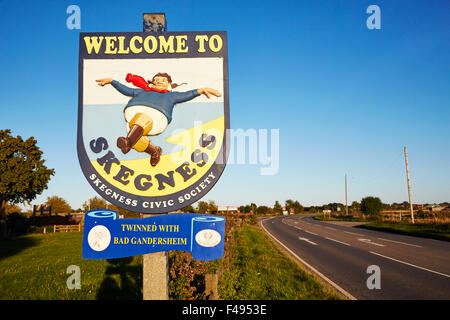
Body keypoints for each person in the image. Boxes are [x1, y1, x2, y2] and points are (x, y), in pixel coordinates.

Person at [96, 73, 221, 166]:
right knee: (136, 140)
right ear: (152, 81)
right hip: (133, 117)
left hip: (157, 118)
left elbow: (187, 95)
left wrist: (202, 90)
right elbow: (126, 89)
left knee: (142, 120)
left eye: (163, 80)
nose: (159, 82)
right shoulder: (141, 91)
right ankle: (154, 151)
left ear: (168, 83)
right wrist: (112, 81)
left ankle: (128, 142)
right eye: (156, 80)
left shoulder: (171, 95)